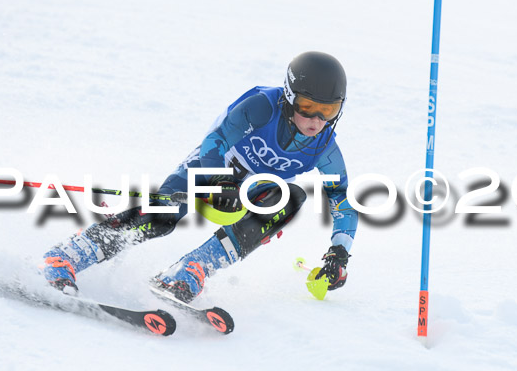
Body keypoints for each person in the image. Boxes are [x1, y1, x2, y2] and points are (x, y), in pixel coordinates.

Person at [41, 51, 358, 305]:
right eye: (307, 106)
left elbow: (341, 200)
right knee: (162, 217)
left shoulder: (325, 148)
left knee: (290, 199)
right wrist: (217, 179)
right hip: (214, 167)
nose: (316, 120)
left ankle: (190, 271)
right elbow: (216, 140)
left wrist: (339, 252)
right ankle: (67, 255)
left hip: (252, 189)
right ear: (289, 96)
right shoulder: (263, 105)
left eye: (328, 111)